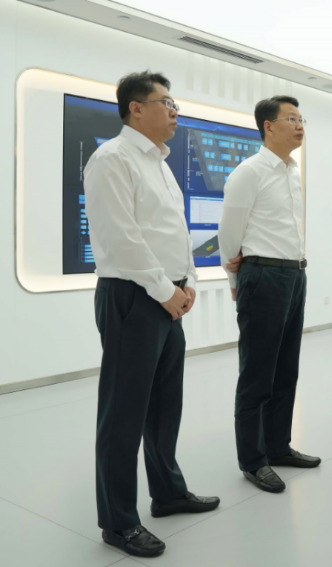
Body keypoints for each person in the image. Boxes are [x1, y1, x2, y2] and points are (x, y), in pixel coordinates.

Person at [85, 71, 219, 558]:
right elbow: (123, 238)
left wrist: (188, 282)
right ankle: (118, 522)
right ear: (136, 108)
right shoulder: (112, 159)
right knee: (123, 414)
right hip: (133, 297)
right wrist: (166, 291)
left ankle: (168, 492)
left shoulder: (159, 163)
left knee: (164, 405)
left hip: (167, 295)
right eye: (167, 102)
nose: (175, 111)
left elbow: (172, 233)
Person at [219, 96, 320, 494]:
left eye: (301, 118)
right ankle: (252, 460)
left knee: (285, 370)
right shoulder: (249, 172)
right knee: (257, 373)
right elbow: (230, 234)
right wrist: (235, 282)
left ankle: (278, 446)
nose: (299, 125)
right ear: (268, 126)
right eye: (291, 118)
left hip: (294, 275)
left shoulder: (291, 171)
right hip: (262, 275)